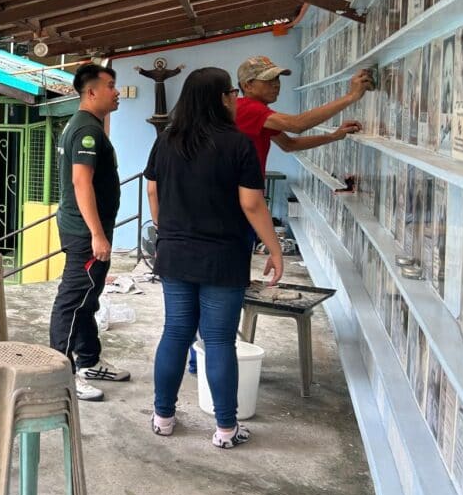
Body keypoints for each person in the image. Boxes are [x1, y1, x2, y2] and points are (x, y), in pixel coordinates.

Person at [145, 68, 284, 449]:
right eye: (231, 94)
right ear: (222, 98)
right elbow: (252, 203)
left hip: (174, 254)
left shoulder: (166, 140)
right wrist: (274, 248)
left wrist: (169, 231)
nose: (234, 101)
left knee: (175, 333)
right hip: (223, 256)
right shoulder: (237, 144)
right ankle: (225, 428)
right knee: (220, 340)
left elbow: (153, 191)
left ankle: (163, 417)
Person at [50, 62, 127, 403]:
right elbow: (82, 183)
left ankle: (89, 359)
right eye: (111, 85)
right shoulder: (87, 130)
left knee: (88, 298)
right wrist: (97, 234)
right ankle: (59, 373)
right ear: (91, 91)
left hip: (83, 228)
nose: (117, 91)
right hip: (84, 232)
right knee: (73, 298)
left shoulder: (84, 125)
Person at [235, 55, 373, 171]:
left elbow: (289, 144)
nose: (276, 84)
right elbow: (297, 125)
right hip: (239, 196)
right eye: (268, 80)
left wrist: (334, 136)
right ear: (248, 86)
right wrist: (351, 96)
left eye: (277, 78)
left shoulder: (257, 113)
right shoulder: (246, 108)